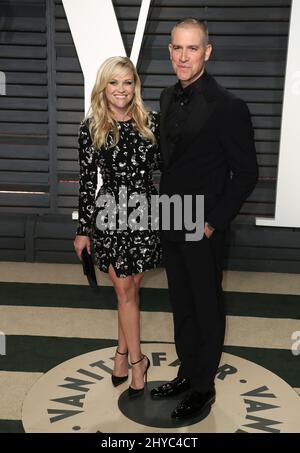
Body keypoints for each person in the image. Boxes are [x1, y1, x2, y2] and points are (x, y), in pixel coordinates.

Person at [151, 19, 258, 419]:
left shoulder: (229, 106)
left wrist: (212, 221)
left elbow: (245, 173)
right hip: (169, 218)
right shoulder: (163, 96)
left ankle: (203, 386)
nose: (183, 56)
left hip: (203, 223)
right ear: (170, 51)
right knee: (181, 302)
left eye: (192, 49)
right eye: (177, 48)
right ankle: (187, 370)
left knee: (206, 304)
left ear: (207, 52)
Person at [74, 56, 161, 397]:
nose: (121, 90)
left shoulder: (149, 122)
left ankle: (121, 353)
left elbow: (167, 166)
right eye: (114, 82)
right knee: (124, 291)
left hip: (145, 214)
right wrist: (83, 229)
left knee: (130, 292)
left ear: (134, 86)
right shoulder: (92, 126)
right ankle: (139, 364)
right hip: (109, 215)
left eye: (127, 82)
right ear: (104, 87)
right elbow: (85, 182)